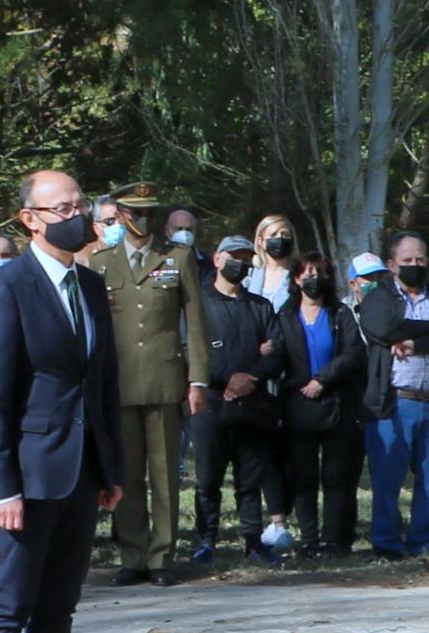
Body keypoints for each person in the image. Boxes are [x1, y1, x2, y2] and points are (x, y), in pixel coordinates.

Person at [0, 170, 125, 633]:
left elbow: (104, 382)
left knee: (58, 608)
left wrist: (110, 469)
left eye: (80, 204)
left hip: (82, 470)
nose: (77, 215)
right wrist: (2, 485)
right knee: (9, 606)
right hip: (30, 473)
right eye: (62, 207)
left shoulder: (88, 285)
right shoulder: (9, 284)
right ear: (30, 220)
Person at [97, 189, 212, 585]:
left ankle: (162, 556)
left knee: (165, 474)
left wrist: (198, 380)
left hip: (166, 381)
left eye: (148, 212)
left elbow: (195, 324)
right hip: (118, 383)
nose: (140, 219)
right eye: (133, 212)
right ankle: (133, 555)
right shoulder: (101, 263)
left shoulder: (176, 259)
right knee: (125, 474)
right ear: (120, 215)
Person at [356, 235, 429, 557]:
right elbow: (382, 328)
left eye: (419, 260)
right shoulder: (379, 297)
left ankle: (425, 541)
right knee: (388, 480)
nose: (414, 266)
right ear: (392, 265)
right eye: (407, 262)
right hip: (395, 404)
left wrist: (416, 343)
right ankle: (388, 544)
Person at [199, 236, 292, 559]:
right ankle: (206, 540)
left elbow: (277, 350)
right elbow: (192, 351)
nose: (239, 262)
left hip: (253, 402)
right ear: (217, 259)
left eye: (245, 257)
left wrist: (249, 377)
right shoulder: (198, 304)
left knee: (249, 478)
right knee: (208, 478)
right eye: (233, 256)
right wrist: (227, 377)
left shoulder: (259, 306)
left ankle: (252, 540)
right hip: (211, 403)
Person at [277, 255, 365, 553]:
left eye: (319, 273)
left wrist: (323, 380)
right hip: (297, 405)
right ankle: (310, 539)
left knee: (335, 477)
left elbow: (353, 353)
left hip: (336, 403)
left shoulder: (340, 314)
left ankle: (333, 539)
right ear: (297, 279)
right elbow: (277, 354)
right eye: (307, 273)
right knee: (303, 478)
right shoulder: (285, 315)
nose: (313, 278)